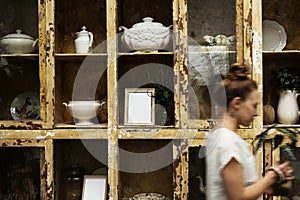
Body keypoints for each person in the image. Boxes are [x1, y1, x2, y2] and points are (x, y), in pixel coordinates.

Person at [205, 63, 294, 200]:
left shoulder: (218, 135)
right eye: (254, 106)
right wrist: (270, 177)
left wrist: (265, 184)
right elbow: (238, 197)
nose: (256, 113)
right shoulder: (227, 141)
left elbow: (236, 187)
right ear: (237, 103)